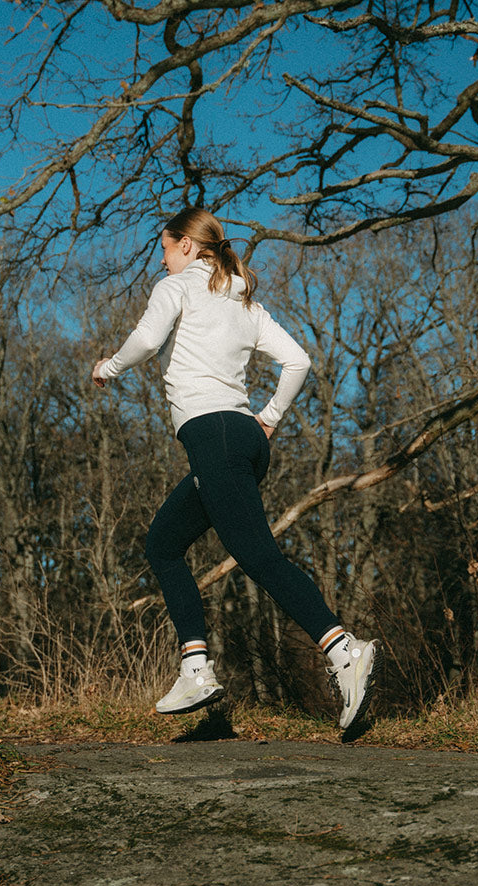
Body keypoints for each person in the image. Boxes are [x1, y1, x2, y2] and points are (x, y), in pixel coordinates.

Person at [92, 208, 379, 730]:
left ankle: (343, 650)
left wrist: (108, 367)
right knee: (163, 544)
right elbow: (299, 362)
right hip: (241, 439)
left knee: (257, 555)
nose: (161, 256)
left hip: (215, 438)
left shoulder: (173, 288)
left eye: (164, 245)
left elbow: (148, 341)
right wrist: (267, 420)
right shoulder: (244, 300)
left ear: (185, 246)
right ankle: (195, 668)